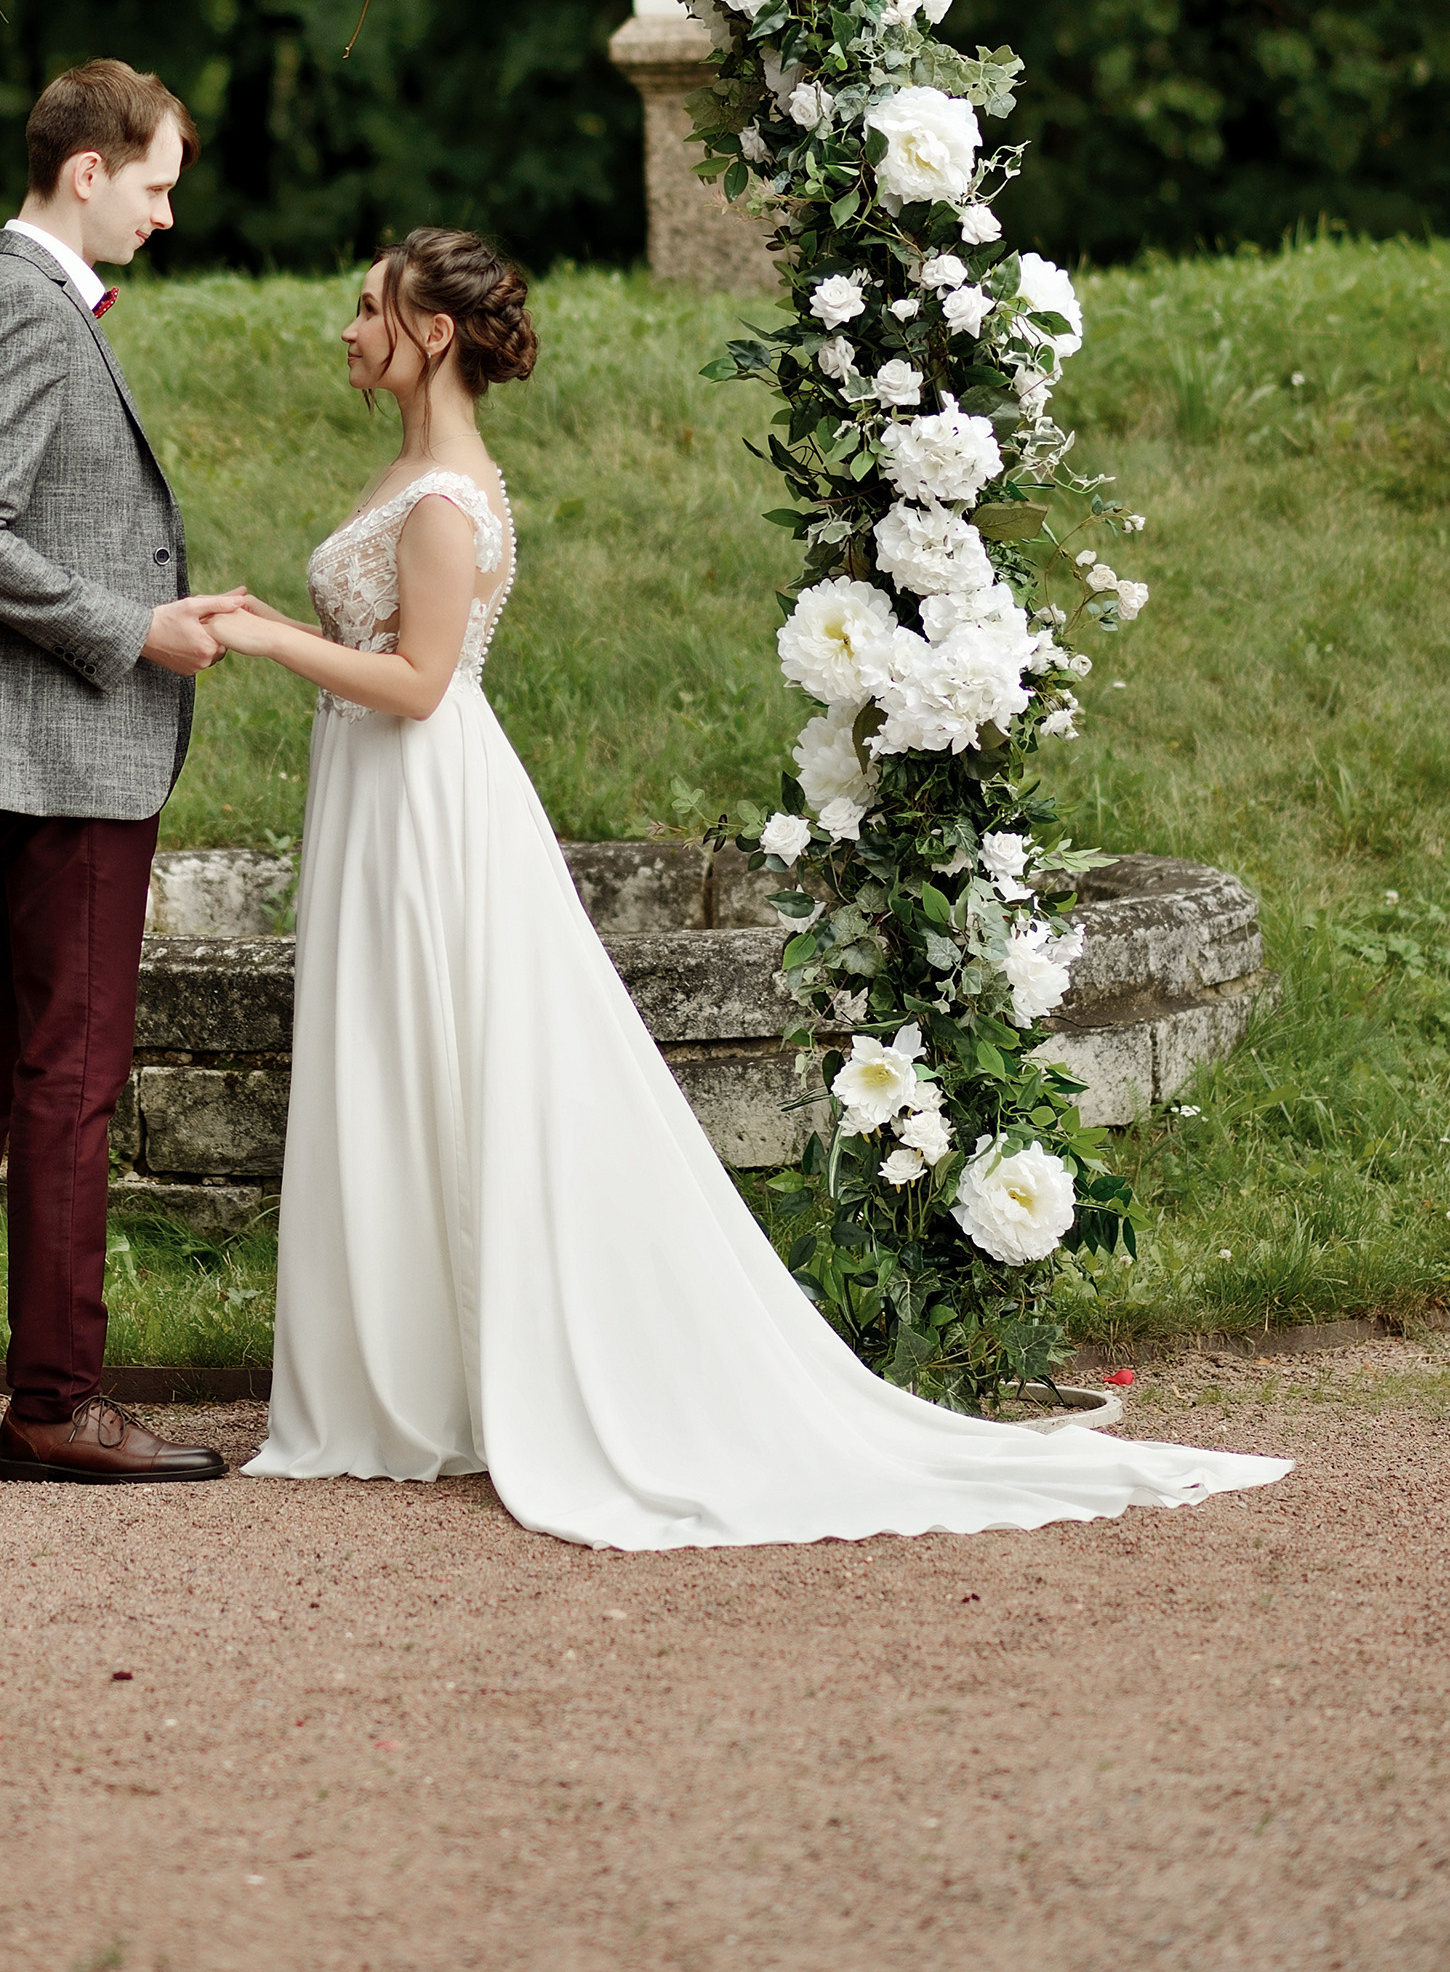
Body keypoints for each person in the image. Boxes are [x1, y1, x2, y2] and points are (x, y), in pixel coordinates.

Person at [202, 226, 1288, 1551]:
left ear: (430, 333)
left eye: (367, 306)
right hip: (381, 792)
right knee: (398, 1061)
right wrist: (290, 627)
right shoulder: (412, 473)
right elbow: (381, 646)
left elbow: (423, 683)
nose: (347, 326)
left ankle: (472, 1381)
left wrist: (263, 640)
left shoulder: (442, 499)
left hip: (423, 794)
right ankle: (407, 1379)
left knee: (445, 1055)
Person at [0, 60, 250, 1486]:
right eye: (153, 187)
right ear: (89, 171)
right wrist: (131, 629)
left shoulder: (21, 300)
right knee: (64, 1079)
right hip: (71, 752)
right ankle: (53, 1403)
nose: (162, 217)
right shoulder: (20, 303)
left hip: (51, 748)